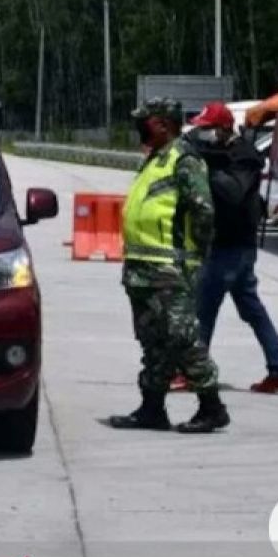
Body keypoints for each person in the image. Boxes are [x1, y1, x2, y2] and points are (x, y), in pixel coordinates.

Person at [108, 97, 230, 434]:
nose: (140, 127)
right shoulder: (154, 160)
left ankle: (211, 406)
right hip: (143, 268)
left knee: (182, 337)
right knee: (153, 341)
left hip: (170, 268)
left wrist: (195, 257)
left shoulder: (184, 159)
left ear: (163, 123)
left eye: (144, 120)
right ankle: (151, 408)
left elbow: (203, 211)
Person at [187, 102, 278, 394]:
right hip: (231, 245)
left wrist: (206, 168)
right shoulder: (226, 153)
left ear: (223, 128)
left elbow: (233, 193)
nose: (202, 134)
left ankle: (193, 371)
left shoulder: (244, 157)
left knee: (203, 310)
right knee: (252, 311)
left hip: (231, 246)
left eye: (207, 129)